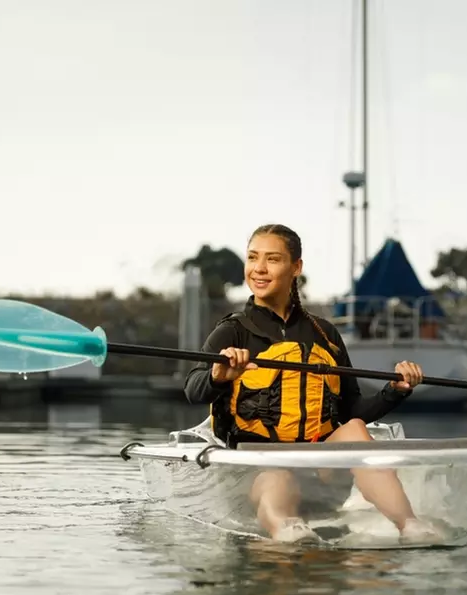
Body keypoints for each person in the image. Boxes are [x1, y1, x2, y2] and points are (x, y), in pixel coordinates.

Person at [184, 223, 441, 545]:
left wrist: (396, 391)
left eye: (272, 259)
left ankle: (411, 526)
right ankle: (288, 532)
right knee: (278, 479)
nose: (259, 268)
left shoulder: (324, 334)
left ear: (296, 267)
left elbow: (352, 411)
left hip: (320, 473)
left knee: (355, 429)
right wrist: (218, 376)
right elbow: (193, 389)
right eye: (252, 257)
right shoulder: (232, 332)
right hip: (257, 469)